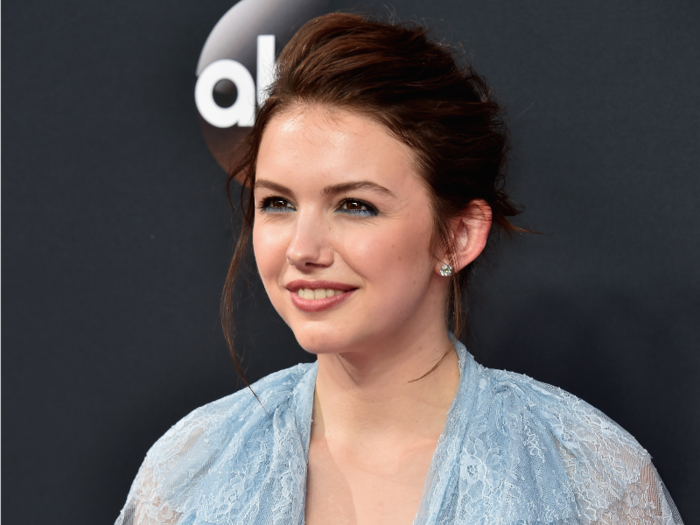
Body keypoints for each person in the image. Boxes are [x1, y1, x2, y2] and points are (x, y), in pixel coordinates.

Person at [116, 13, 684, 525]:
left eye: (355, 205)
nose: (302, 248)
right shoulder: (191, 470)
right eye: (278, 204)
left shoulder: (587, 478)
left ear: (458, 235)